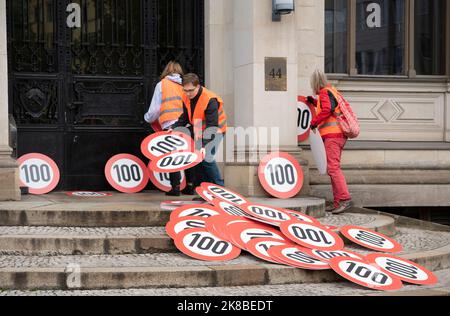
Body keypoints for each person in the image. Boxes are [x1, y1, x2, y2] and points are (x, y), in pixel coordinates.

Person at [144, 61, 195, 196]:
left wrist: (147, 118)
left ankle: (175, 187)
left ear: (166, 71)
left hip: (171, 125)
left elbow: (154, 110)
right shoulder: (186, 85)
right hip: (188, 125)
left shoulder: (162, 85)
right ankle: (190, 186)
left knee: (172, 156)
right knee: (187, 155)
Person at [308, 69, 353, 215]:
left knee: (333, 168)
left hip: (333, 136)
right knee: (333, 168)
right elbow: (329, 108)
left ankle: (345, 200)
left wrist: (314, 123)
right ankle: (337, 202)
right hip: (338, 136)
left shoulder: (324, 92)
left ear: (315, 83)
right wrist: (314, 102)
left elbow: (327, 110)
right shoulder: (331, 91)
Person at [172, 73, 227, 187]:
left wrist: (204, 146)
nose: (187, 93)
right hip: (199, 130)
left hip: (215, 131)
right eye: (185, 90)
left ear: (198, 86)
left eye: (190, 90)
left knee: (206, 158)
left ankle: (220, 188)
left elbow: (212, 126)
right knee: (197, 160)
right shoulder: (186, 96)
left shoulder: (210, 99)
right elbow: (186, 117)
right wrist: (174, 128)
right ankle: (203, 190)